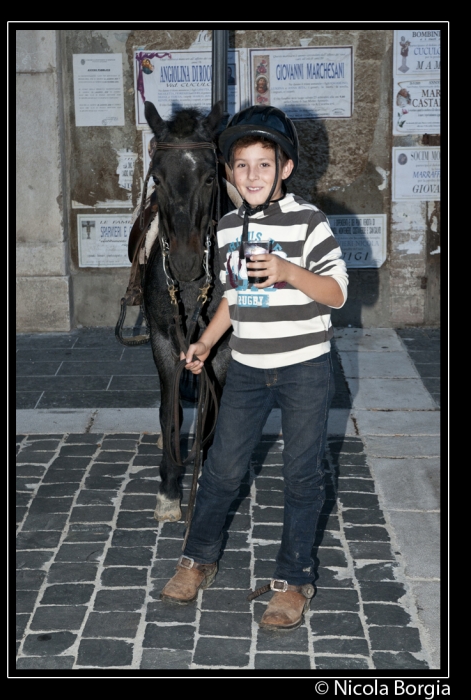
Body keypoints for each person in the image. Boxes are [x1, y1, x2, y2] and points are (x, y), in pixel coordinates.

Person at [160, 105, 349, 632]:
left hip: (304, 367)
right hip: (247, 367)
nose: (252, 176)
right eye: (241, 166)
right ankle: (198, 559)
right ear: (229, 172)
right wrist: (204, 341)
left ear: (284, 168)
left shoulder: (310, 222)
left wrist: (289, 270)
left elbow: (335, 294)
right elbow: (235, 299)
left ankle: (293, 580)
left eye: (263, 164)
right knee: (220, 469)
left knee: (302, 474)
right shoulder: (225, 228)